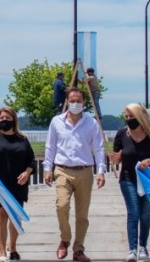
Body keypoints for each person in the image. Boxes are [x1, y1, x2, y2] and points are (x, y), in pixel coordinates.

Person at [43, 87, 106, 262]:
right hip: (62, 169)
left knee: (82, 214)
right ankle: (65, 239)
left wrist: (101, 171)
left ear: (84, 103)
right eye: (72, 100)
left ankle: (78, 250)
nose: (75, 104)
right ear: (67, 101)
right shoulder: (57, 122)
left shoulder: (91, 123)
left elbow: (99, 148)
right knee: (61, 206)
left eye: (79, 101)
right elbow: (50, 146)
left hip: (85, 171)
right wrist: (47, 168)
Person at [0, 107, 36, 262]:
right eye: (2, 118)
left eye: (8, 118)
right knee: (0, 217)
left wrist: (27, 172)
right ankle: (2, 252)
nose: (4, 120)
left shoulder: (22, 139)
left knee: (14, 218)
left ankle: (13, 248)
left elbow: (31, 161)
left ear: (14, 120)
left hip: (18, 184)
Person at [110, 103, 150, 262]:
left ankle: (143, 246)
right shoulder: (121, 134)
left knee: (144, 215)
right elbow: (118, 157)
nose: (128, 120)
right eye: (126, 117)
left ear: (140, 117)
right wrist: (116, 158)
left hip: (148, 181)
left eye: (131, 117)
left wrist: (149, 161)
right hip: (128, 179)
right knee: (133, 213)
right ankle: (132, 249)